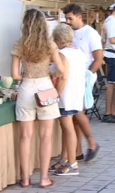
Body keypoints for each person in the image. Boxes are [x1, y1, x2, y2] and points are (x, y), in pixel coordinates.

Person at [11, 9, 65, 188]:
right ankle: (43, 179)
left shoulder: (20, 44)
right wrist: (52, 74)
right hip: (46, 88)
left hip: (26, 87)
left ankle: (25, 178)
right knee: (46, 137)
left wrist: (27, 74)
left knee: (25, 137)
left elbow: (14, 75)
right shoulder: (49, 44)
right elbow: (61, 70)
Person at [62, 4, 101, 162]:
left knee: (76, 110)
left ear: (79, 16)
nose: (68, 21)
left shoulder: (91, 34)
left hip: (84, 76)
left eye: (70, 18)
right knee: (73, 115)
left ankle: (91, 142)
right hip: (70, 76)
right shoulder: (69, 33)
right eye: (66, 18)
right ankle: (76, 150)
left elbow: (98, 59)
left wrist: (88, 75)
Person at [50, 24, 86, 176]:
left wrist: (56, 93)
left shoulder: (63, 54)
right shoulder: (79, 52)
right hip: (77, 94)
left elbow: (63, 76)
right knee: (67, 128)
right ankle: (65, 159)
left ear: (58, 39)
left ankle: (72, 163)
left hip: (66, 95)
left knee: (67, 128)